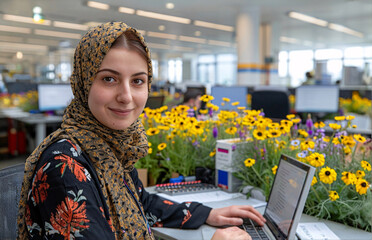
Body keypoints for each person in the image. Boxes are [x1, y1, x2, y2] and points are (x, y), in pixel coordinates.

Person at [17, 22, 265, 240]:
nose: (126, 97)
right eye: (109, 79)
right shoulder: (64, 166)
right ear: (83, 82)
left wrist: (206, 213)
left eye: (137, 81)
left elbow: (142, 203)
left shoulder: (108, 146)